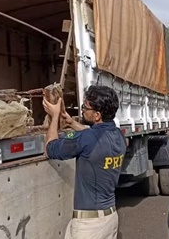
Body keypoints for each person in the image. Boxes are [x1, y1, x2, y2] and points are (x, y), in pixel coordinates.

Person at [43, 85, 125, 239]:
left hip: (90, 226)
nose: (82, 110)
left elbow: (50, 148)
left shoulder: (87, 139)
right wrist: (71, 123)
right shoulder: (118, 136)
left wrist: (54, 116)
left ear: (97, 115)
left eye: (85, 107)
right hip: (110, 218)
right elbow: (93, 136)